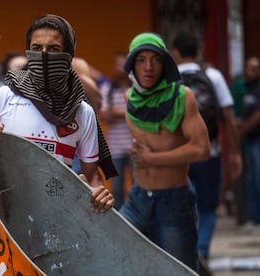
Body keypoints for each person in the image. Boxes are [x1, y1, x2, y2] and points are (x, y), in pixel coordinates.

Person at [0, 14, 117, 214]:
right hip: (1, 217)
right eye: (36, 48)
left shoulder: (82, 112)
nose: (43, 55)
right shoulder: (2, 97)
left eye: (53, 49)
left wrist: (98, 193)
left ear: (68, 55)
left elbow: (91, 176)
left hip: (57, 219)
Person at [120, 32, 210, 272]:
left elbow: (201, 149)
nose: (148, 67)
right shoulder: (130, 97)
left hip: (173, 200)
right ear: (132, 64)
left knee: (178, 270)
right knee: (118, 259)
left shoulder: (183, 97)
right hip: (137, 198)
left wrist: (153, 159)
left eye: (155, 59)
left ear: (165, 63)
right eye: (141, 60)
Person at [171, 32, 242, 266]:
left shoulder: (167, 78)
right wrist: (234, 152)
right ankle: (201, 251)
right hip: (209, 153)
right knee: (208, 206)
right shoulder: (213, 76)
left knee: (179, 207)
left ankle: (186, 254)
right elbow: (228, 117)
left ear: (176, 53)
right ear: (198, 52)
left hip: (176, 157)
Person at [99, 52, 133, 210]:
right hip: (115, 148)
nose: (119, 68)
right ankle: (121, 218)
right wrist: (126, 113)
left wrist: (117, 113)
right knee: (117, 189)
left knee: (136, 187)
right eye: (117, 64)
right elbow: (104, 114)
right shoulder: (107, 89)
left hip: (135, 147)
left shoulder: (136, 89)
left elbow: (140, 114)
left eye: (122, 64)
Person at [239, 56, 260, 232]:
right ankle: (254, 218)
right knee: (251, 179)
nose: (250, 72)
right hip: (251, 140)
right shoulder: (248, 88)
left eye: (254, 68)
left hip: (257, 139)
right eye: (248, 68)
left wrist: (242, 129)